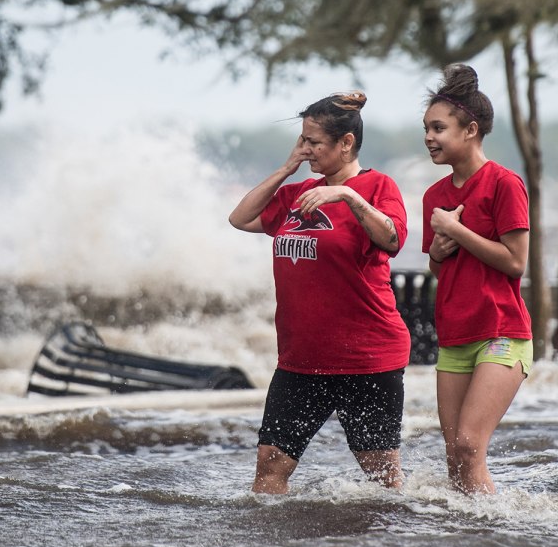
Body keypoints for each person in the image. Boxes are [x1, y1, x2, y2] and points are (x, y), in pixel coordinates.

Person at [228, 91, 411, 494]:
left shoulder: (378, 186)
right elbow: (240, 218)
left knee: (381, 477)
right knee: (269, 466)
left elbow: (393, 237)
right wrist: (287, 168)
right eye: (303, 141)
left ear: (346, 143)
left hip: (366, 358)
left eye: (315, 142)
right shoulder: (297, 194)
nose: (307, 149)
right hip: (301, 360)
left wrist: (346, 194)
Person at [421, 64, 532, 495]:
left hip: (501, 330)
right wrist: (436, 250)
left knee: (469, 446)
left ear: (470, 130)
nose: (429, 137)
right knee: (454, 459)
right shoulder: (435, 196)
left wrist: (457, 232)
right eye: (426, 128)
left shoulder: (505, 184)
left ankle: (495, 534)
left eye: (438, 128)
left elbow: (516, 262)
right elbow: (438, 267)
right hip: (455, 334)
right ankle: (465, 543)